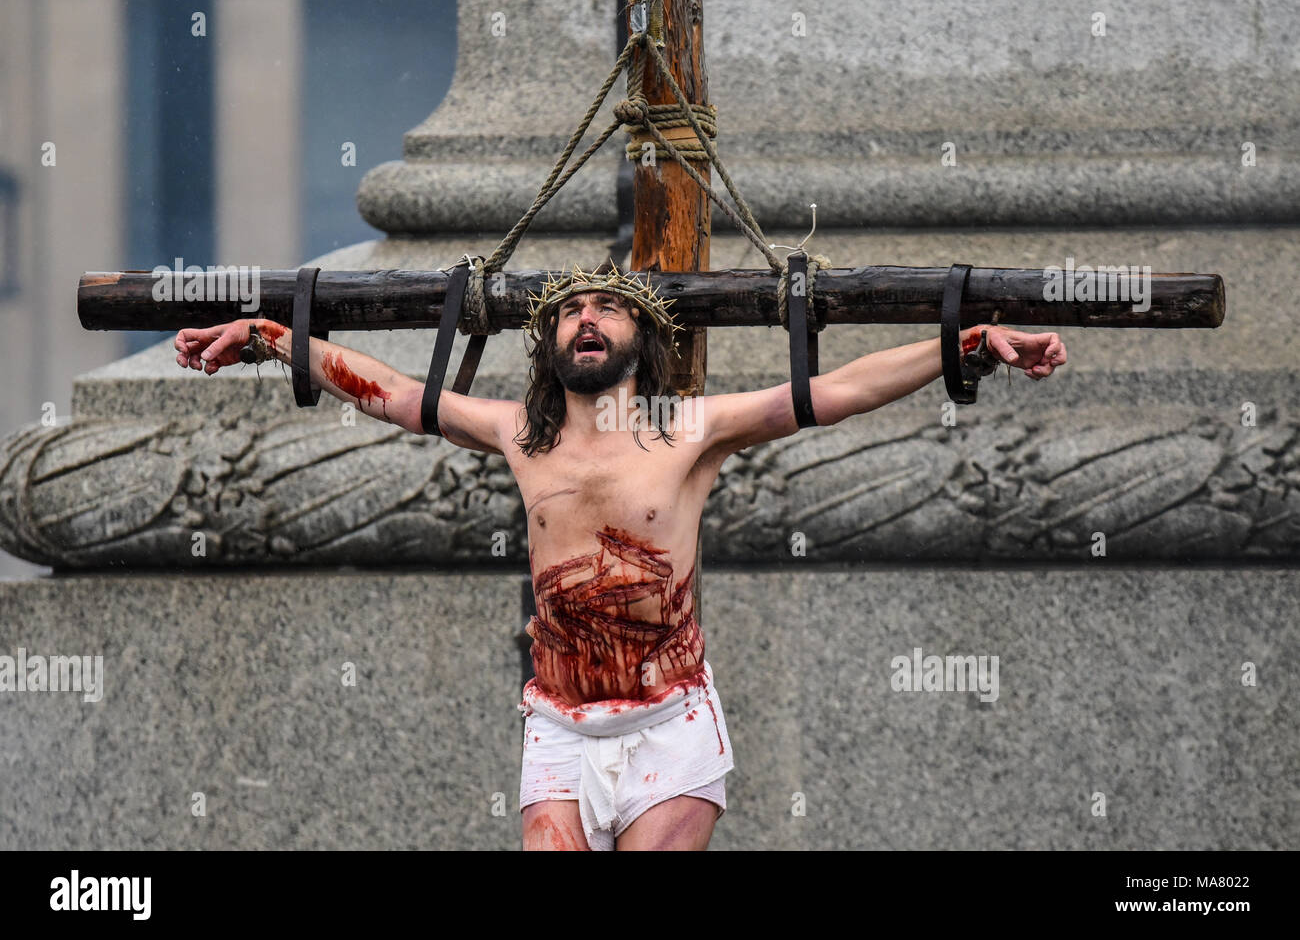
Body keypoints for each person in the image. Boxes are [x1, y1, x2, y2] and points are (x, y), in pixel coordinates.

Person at [174, 262, 1066, 850]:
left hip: (667, 727)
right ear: (549, 348)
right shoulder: (520, 433)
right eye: (568, 311)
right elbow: (394, 391)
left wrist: (971, 344)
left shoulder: (690, 428)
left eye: (605, 308)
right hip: (560, 725)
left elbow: (837, 390)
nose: (585, 319)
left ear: (644, 339)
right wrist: (271, 337)